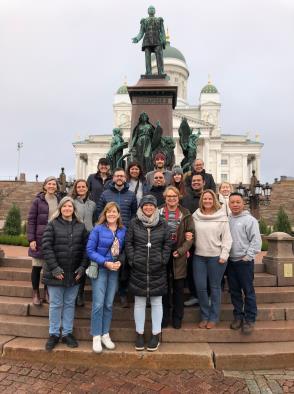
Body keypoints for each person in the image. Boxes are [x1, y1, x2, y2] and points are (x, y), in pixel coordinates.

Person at [42, 196, 88, 351]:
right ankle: (54, 334)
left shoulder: (81, 227)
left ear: (74, 209)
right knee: (55, 304)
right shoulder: (52, 225)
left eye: (70, 206)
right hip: (56, 273)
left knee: (69, 304)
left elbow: (86, 250)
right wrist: (54, 268)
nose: (67, 209)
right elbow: (46, 247)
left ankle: (67, 333)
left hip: (74, 274)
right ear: (60, 208)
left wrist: (82, 267)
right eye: (64, 206)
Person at [126, 195, 171, 351]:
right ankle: (139, 333)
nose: (148, 208)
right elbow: (129, 243)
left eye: (151, 206)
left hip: (157, 268)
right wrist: (132, 259)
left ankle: (155, 334)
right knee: (139, 302)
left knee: (157, 302)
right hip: (138, 268)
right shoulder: (134, 223)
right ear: (141, 207)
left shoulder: (163, 223)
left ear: (155, 207)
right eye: (145, 205)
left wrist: (163, 260)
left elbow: (167, 244)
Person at [87, 202, 126, 353]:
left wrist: (119, 262)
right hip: (101, 269)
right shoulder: (98, 229)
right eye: (108, 211)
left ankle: (105, 334)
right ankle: (96, 336)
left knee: (109, 304)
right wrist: (105, 262)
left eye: (114, 212)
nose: (111, 214)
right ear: (105, 213)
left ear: (118, 214)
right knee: (98, 304)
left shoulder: (123, 230)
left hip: (114, 270)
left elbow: (124, 250)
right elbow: (89, 250)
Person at [97, 168, 137, 307]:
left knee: (123, 263)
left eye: (122, 176)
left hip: (124, 235)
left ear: (125, 178)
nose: (119, 178)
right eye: (117, 175)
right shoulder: (105, 194)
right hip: (107, 234)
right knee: (108, 261)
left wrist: (130, 230)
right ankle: (108, 293)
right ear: (113, 178)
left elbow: (133, 215)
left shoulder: (131, 195)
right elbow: (99, 213)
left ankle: (123, 293)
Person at [192, 190, 232, 329]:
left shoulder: (222, 217)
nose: (207, 201)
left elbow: (227, 238)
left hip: (216, 258)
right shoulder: (195, 216)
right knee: (201, 288)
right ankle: (204, 315)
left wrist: (224, 255)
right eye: (205, 199)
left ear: (214, 200)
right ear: (201, 200)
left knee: (215, 288)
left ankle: (213, 317)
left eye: (210, 199)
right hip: (199, 257)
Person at [159, 186, 194, 329]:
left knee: (179, 288)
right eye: (169, 196)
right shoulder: (158, 211)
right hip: (163, 254)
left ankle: (177, 317)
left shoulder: (185, 213)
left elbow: (190, 236)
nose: (171, 199)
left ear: (178, 197)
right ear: (165, 198)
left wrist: (181, 251)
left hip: (179, 254)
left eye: (174, 196)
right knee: (164, 288)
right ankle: (164, 316)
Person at [227, 192, 262, 335]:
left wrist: (247, 257)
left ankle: (250, 319)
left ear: (243, 203)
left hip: (244, 262)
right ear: (229, 204)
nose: (235, 205)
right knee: (234, 291)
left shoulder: (250, 220)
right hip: (230, 262)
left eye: (238, 202)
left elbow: (256, 241)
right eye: (232, 202)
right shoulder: (227, 219)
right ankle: (238, 317)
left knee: (248, 292)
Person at [27, 176, 61, 305]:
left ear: (56, 187)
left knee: (50, 267)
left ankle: (47, 292)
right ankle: (35, 293)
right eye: (49, 184)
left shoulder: (59, 200)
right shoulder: (38, 201)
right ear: (45, 186)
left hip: (53, 239)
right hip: (39, 239)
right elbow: (31, 220)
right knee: (36, 267)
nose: (52, 186)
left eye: (54, 184)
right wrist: (31, 239)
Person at [182, 173, 205, 307]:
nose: (196, 182)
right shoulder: (186, 199)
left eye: (198, 180)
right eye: (194, 181)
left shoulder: (208, 197)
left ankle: (205, 296)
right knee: (191, 269)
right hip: (190, 240)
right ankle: (194, 294)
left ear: (204, 182)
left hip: (206, 240)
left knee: (203, 270)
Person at [71, 179, 96, 306]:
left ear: (87, 188)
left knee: (84, 264)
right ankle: (73, 294)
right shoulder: (72, 202)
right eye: (78, 187)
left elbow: (95, 219)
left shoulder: (92, 204)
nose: (81, 188)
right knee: (76, 263)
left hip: (90, 236)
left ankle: (80, 294)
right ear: (75, 189)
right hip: (76, 236)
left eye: (83, 186)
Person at [132, 5, 166, 76]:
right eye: (150, 9)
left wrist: (163, 39)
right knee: (147, 56)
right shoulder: (144, 21)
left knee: (159, 55)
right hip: (147, 40)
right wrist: (137, 38)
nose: (151, 10)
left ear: (155, 11)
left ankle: (161, 72)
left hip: (157, 40)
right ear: (148, 11)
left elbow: (162, 31)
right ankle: (148, 72)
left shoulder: (159, 20)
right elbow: (141, 32)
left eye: (153, 9)